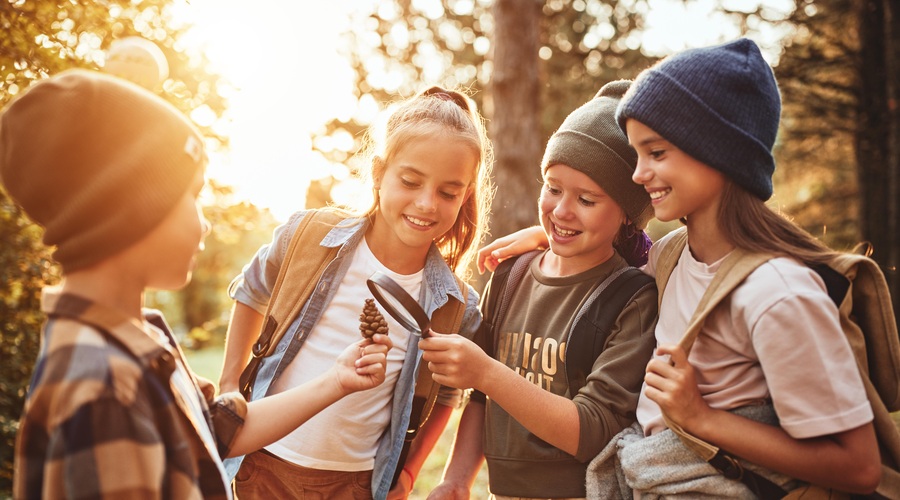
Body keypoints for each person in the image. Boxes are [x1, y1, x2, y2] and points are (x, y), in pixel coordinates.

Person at [475, 38, 882, 497]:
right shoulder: (670, 257)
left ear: (719, 153)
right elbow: (611, 249)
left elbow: (859, 466)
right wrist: (544, 237)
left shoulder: (777, 291)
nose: (637, 173)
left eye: (656, 153)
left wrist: (701, 418)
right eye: (637, 153)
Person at [1, 69, 391, 499]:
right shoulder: (104, 390)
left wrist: (336, 379)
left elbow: (217, 430)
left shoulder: (136, 339)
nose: (204, 223)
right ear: (132, 207)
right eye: (191, 196)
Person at [217, 86, 494, 499]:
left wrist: (411, 470)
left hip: (356, 482)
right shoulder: (310, 237)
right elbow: (252, 291)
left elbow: (448, 393)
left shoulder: (455, 305)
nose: (426, 204)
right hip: (262, 458)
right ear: (379, 172)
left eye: (448, 193)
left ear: (465, 195)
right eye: (411, 181)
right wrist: (227, 386)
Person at [420, 80, 658, 500]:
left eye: (587, 199)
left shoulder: (632, 297)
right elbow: (480, 397)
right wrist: (457, 479)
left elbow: (592, 430)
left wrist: (487, 371)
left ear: (626, 214)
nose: (561, 210)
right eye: (552, 187)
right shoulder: (512, 273)